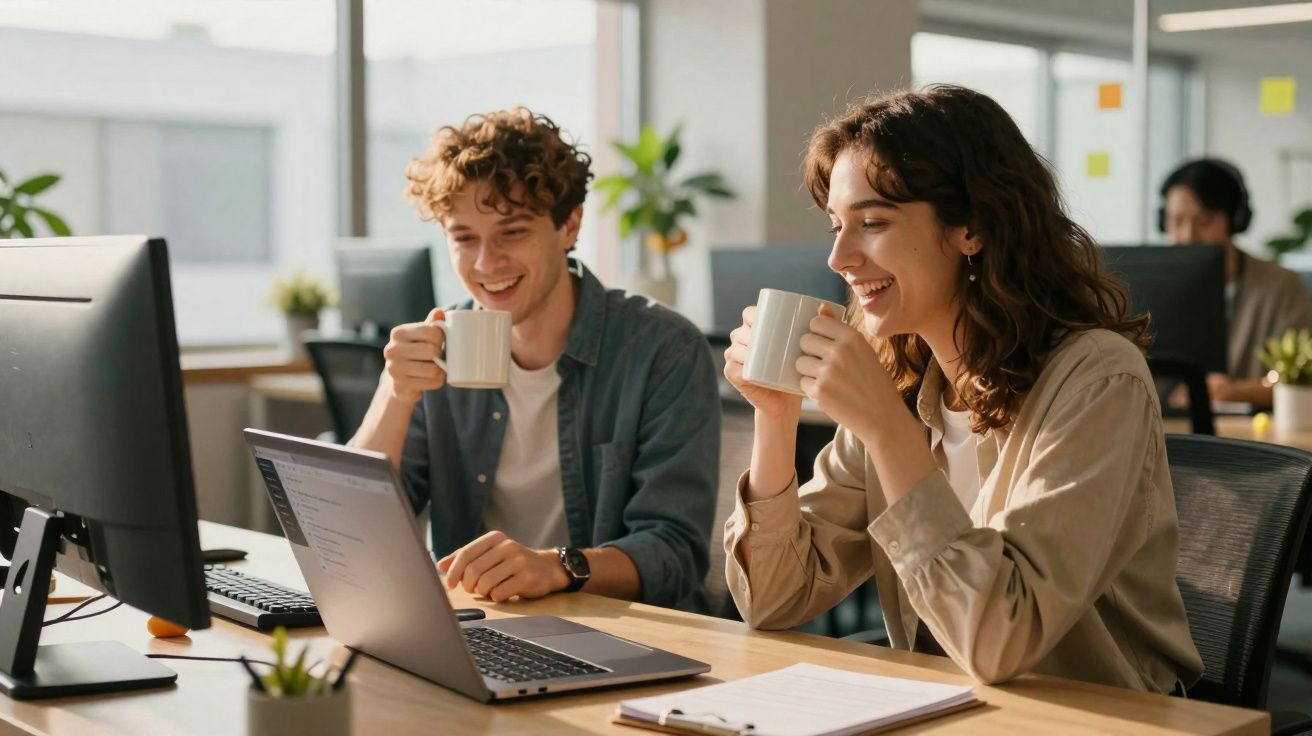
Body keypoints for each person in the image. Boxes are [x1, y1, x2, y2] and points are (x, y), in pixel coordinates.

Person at [722, 85, 1203, 691]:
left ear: (971, 227)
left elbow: (1002, 639)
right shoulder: (903, 383)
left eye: (872, 223)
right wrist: (775, 413)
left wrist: (888, 432)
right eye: (836, 227)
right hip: (950, 709)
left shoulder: (1099, 380)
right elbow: (771, 599)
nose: (839, 257)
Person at [350, 107, 719, 612]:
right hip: (482, 625)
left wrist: (556, 568)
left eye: (513, 232)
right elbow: (353, 525)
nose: (486, 263)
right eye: (464, 238)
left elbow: (674, 554)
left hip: (626, 632)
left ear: (569, 226)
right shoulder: (439, 346)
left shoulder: (661, 349)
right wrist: (395, 395)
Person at [1160, 158, 1312, 407]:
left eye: (1204, 221)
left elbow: (1303, 382)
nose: (1188, 236)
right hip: (1169, 432)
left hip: (1252, 434)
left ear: (1235, 220)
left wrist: (1237, 392)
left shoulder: (1282, 287)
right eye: (1176, 221)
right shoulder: (1156, 287)